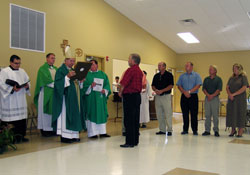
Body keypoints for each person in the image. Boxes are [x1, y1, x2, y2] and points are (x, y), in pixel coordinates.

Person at [52, 47, 84, 143]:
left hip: (74, 98)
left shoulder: (74, 70)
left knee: (74, 115)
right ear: (65, 60)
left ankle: (74, 135)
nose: (72, 63)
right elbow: (57, 84)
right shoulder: (60, 70)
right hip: (65, 98)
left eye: (73, 61)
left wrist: (80, 81)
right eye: (70, 61)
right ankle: (65, 136)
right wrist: (67, 77)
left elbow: (77, 84)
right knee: (66, 116)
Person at [0, 55, 30, 143]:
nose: (18, 65)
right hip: (10, 100)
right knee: (11, 120)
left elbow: (28, 81)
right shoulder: (4, 71)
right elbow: (1, 84)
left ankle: (21, 136)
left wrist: (27, 86)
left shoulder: (22, 71)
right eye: (16, 63)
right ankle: (10, 138)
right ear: (11, 62)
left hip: (20, 99)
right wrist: (12, 89)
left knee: (21, 119)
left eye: (19, 63)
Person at [80, 60, 111, 138]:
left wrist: (105, 90)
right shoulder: (86, 75)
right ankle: (92, 133)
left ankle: (102, 132)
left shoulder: (103, 74)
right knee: (92, 114)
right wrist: (90, 86)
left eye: (93, 64)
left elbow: (107, 84)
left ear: (97, 65)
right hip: (91, 99)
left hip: (100, 99)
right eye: (90, 65)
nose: (91, 66)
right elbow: (83, 88)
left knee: (101, 114)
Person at [119, 53, 143, 148]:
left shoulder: (130, 70)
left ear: (133, 61)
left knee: (128, 119)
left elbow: (124, 83)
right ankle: (135, 141)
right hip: (137, 96)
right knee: (135, 119)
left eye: (129, 59)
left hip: (129, 97)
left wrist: (120, 92)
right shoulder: (139, 71)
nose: (128, 61)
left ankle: (129, 142)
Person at [34, 53, 57, 137]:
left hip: (54, 94)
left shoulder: (56, 69)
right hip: (45, 94)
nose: (53, 60)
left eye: (54, 58)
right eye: (52, 58)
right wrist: (57, 85)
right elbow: (47, 81)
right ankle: (45, 130)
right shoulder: (42, 69)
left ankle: (53, 129)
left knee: (53, 112)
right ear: (47, 59)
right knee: (45, 113)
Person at [176, 62, 202, 135]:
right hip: (184, 96)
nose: (186, 67)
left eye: (187, 65)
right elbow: (179, 85)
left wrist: (189, 92)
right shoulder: (182, 76)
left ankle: (194, 130)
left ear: (191, 67)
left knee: (194, 114)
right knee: (185, 114)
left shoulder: (196, 75)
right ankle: (185, 129)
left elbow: (198, 85)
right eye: (185, 65)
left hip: (193, 96)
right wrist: (184, 92)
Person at [226, 63, 249, 137]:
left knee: (240, 114)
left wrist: (233, 94)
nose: (234, 70)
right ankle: (233, 130)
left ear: (240, 69)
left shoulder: (243, 77)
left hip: (240, 100)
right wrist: (229, 94)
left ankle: (240, 131)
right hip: (232, 100)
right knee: (232, 114)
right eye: (233, 68)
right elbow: (227, 87)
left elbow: (244, 88)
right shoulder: (231, 78)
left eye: (235, 68)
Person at [152, 62, 174, 136]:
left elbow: (171, 85)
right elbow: (153, 85)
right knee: (159, 113)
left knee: (168, 113)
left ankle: (169, 129)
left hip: (166, 96)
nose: (159, 67)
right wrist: (156, 90)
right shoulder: (156, 76)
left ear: (164, 67)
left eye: (160, 65)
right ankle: (162, 130)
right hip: (158, 96)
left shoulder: (169, 75)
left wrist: (162, 90)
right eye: (158, 65)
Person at [202, 65, 222, 137]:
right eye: (209, 69)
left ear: (215, 71)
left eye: (211, 69)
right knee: (207, 115)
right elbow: (204, 89)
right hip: (207, 99)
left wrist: (212, 96)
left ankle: (216, 130)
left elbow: (219, 89)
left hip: (215, 99)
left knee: (215, 115)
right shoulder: (206, 79)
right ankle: (207, 130)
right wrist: (208, 95)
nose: (210, 70)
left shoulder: (218, 79)